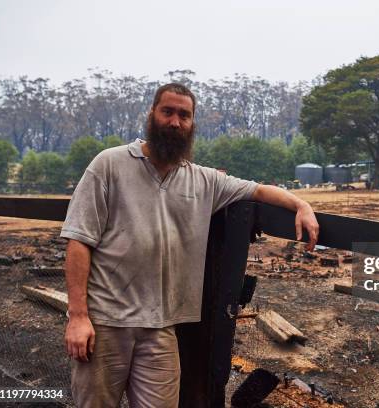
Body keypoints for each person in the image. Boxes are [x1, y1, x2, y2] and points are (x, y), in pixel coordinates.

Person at [60, 83, 319, 408]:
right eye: (167, 111)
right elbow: (79, 240)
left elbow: (258, 191)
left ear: (192, 124)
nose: (175, 122)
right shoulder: (109, 165)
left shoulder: (202, 180)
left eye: (184, 115)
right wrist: (78, 317)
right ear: (152, 114)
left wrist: (301, 205)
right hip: (106, 323)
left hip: (162, 329)